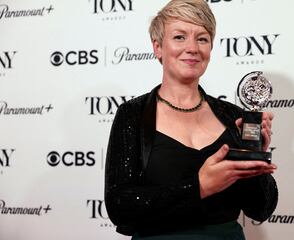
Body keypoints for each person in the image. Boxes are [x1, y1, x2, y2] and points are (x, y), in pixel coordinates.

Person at [104, 0, 278, 239]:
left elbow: (261, 209)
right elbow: (119, 207)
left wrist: (254, 160)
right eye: (179, 37)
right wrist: (198, 187)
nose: (192, 48)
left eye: (202, 38)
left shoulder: (234, 117)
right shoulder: (132, 115)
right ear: (158, 47)